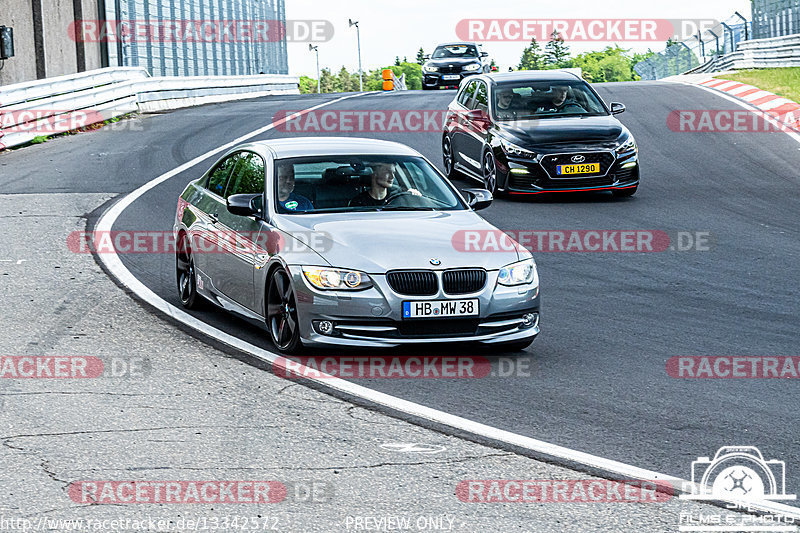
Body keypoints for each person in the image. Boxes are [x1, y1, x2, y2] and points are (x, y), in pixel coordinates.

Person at [349, 163, 420, 207]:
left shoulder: (398, 197)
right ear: (374, 173)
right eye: (388, 172)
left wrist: (413, 196)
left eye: (393, 173)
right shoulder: (359, 202)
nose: (392, 177)